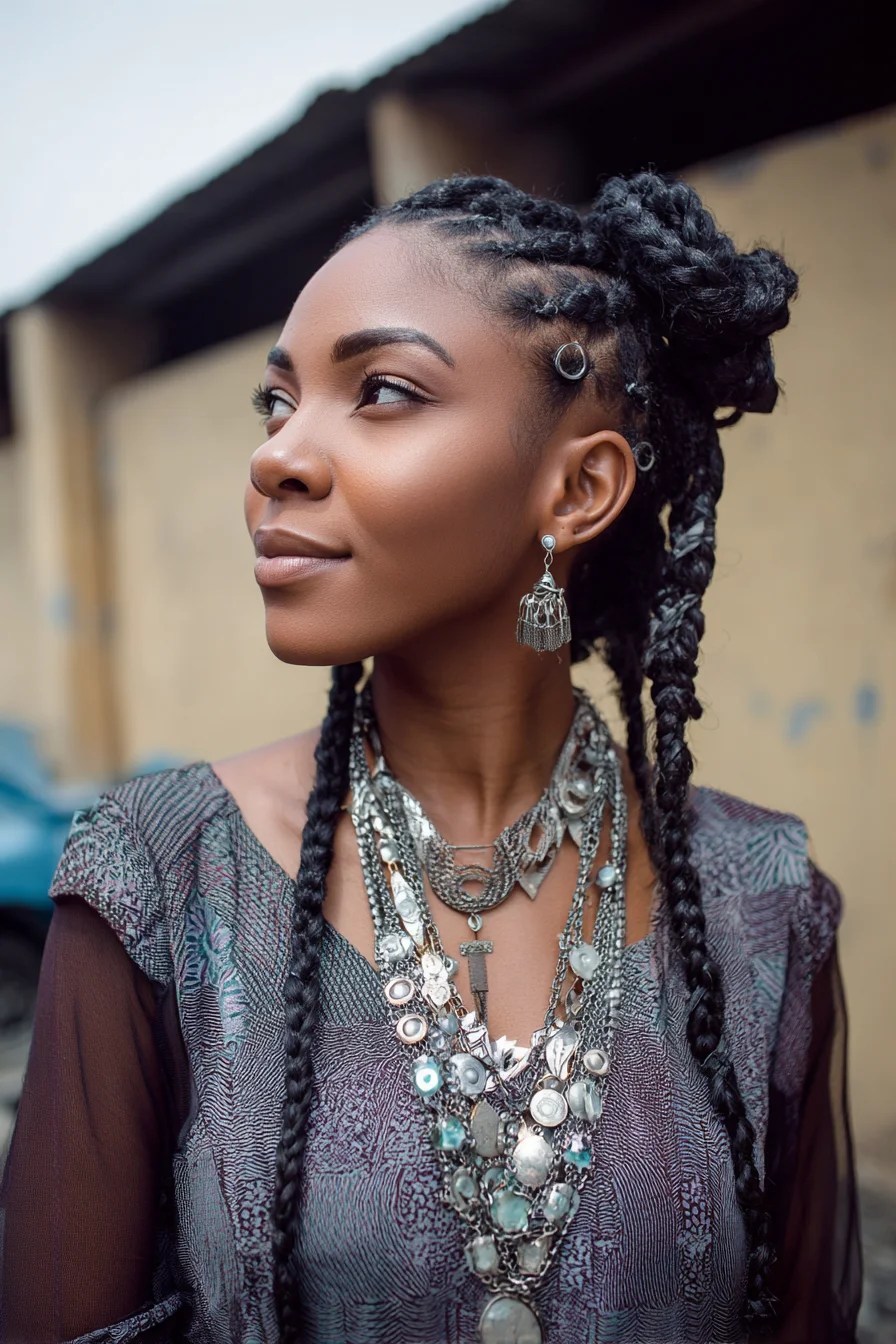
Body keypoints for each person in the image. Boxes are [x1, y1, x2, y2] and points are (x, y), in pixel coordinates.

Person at [0, 173, 862, 1344]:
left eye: (383, 391)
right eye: (277, 401)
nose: (277, 459)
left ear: (578, 487)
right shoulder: (161, 878)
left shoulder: (761, 905)